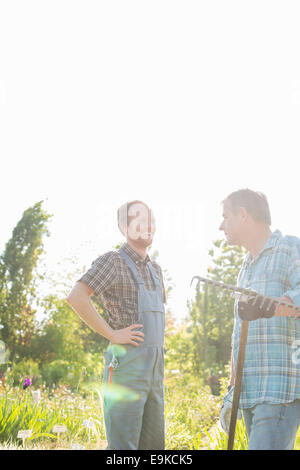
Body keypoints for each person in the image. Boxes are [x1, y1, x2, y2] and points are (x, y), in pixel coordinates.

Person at [66, 200, 166, 450]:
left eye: (150, 219)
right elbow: (76, 296)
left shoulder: (156, 269)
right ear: (124, 226)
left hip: (155, 369)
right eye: (139, 219)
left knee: (154, 446)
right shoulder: (113, 261)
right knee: (124, 446)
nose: (147, 225)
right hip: (126, 367)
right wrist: (111, 333)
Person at [219, 188, 300, 450]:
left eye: (225, 216)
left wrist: (266, 307)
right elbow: (238, 332)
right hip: (251, 390)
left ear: (243, 215)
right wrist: (232, 390)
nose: (221, 225)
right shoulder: (246, 266)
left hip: (279, 389)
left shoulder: (289, 248)